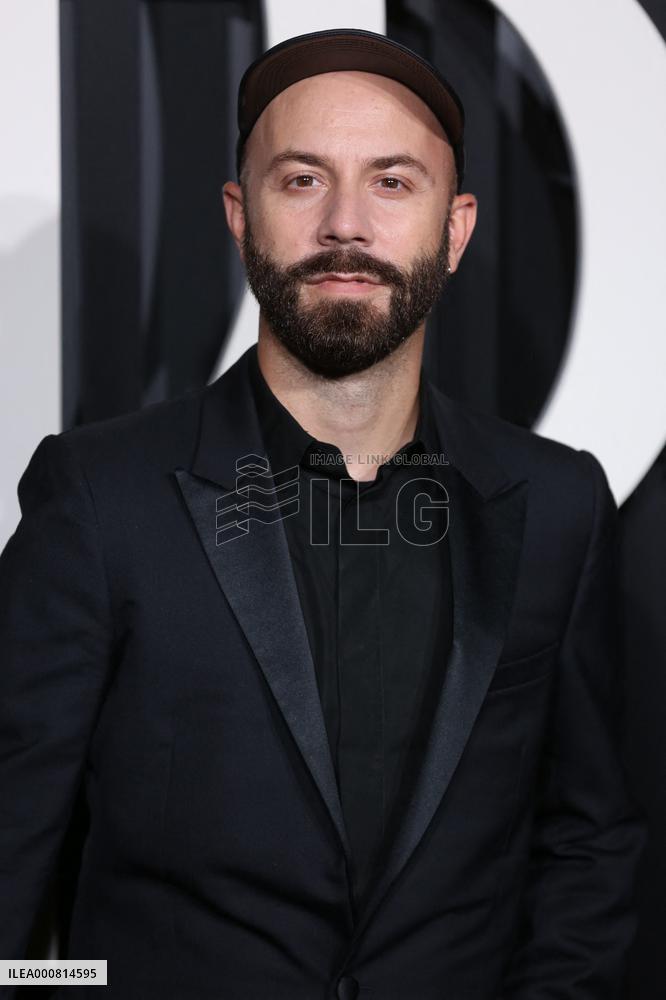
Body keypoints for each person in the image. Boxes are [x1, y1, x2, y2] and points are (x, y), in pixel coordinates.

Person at [0, 27, 645, 1000]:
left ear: (456, 226)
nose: (346, 223)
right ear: (239, 214)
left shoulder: (557, 505)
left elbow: (587, 841)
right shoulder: (100, 496)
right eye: (301, 180)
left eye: (393, 182)